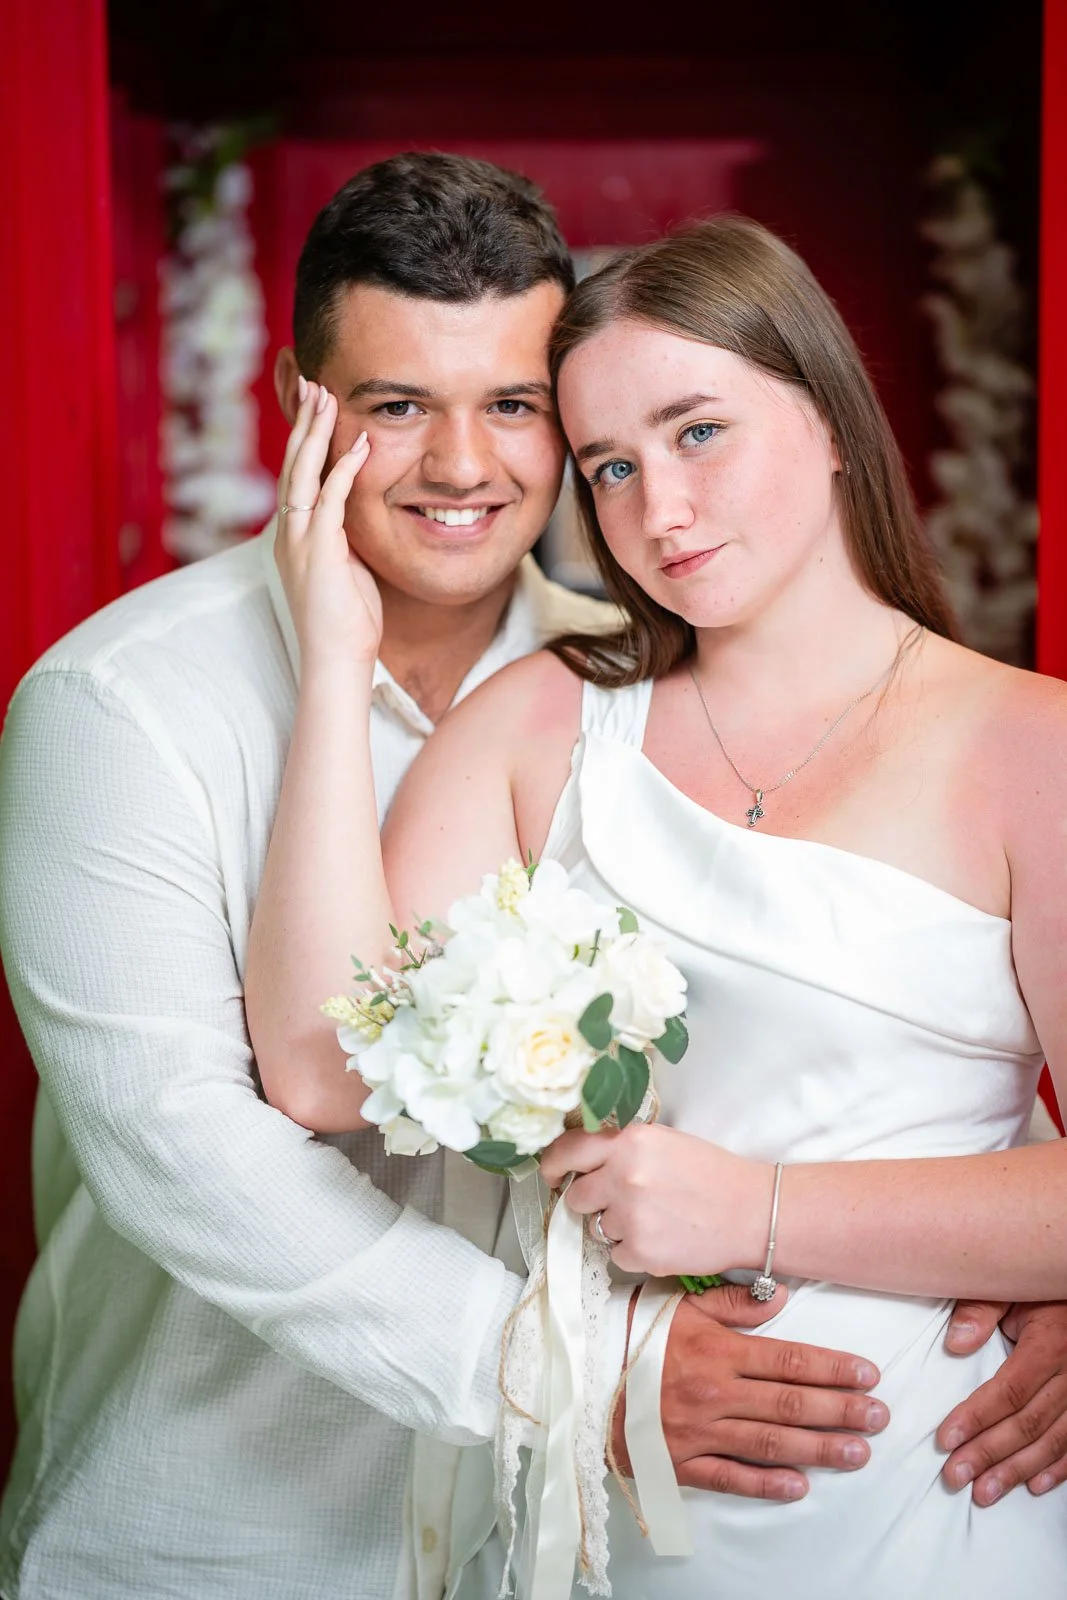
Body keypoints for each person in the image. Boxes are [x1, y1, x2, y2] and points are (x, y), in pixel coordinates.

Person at [0, 158, 1061, 1600]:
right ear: (299, 400)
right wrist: (572, 1376)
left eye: (512, 407)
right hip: (237, 1523)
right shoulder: (121, 704)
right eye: (394, 407)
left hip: (572, 1533)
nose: (460, 466)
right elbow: (199, 1140)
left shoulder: (605, 673)